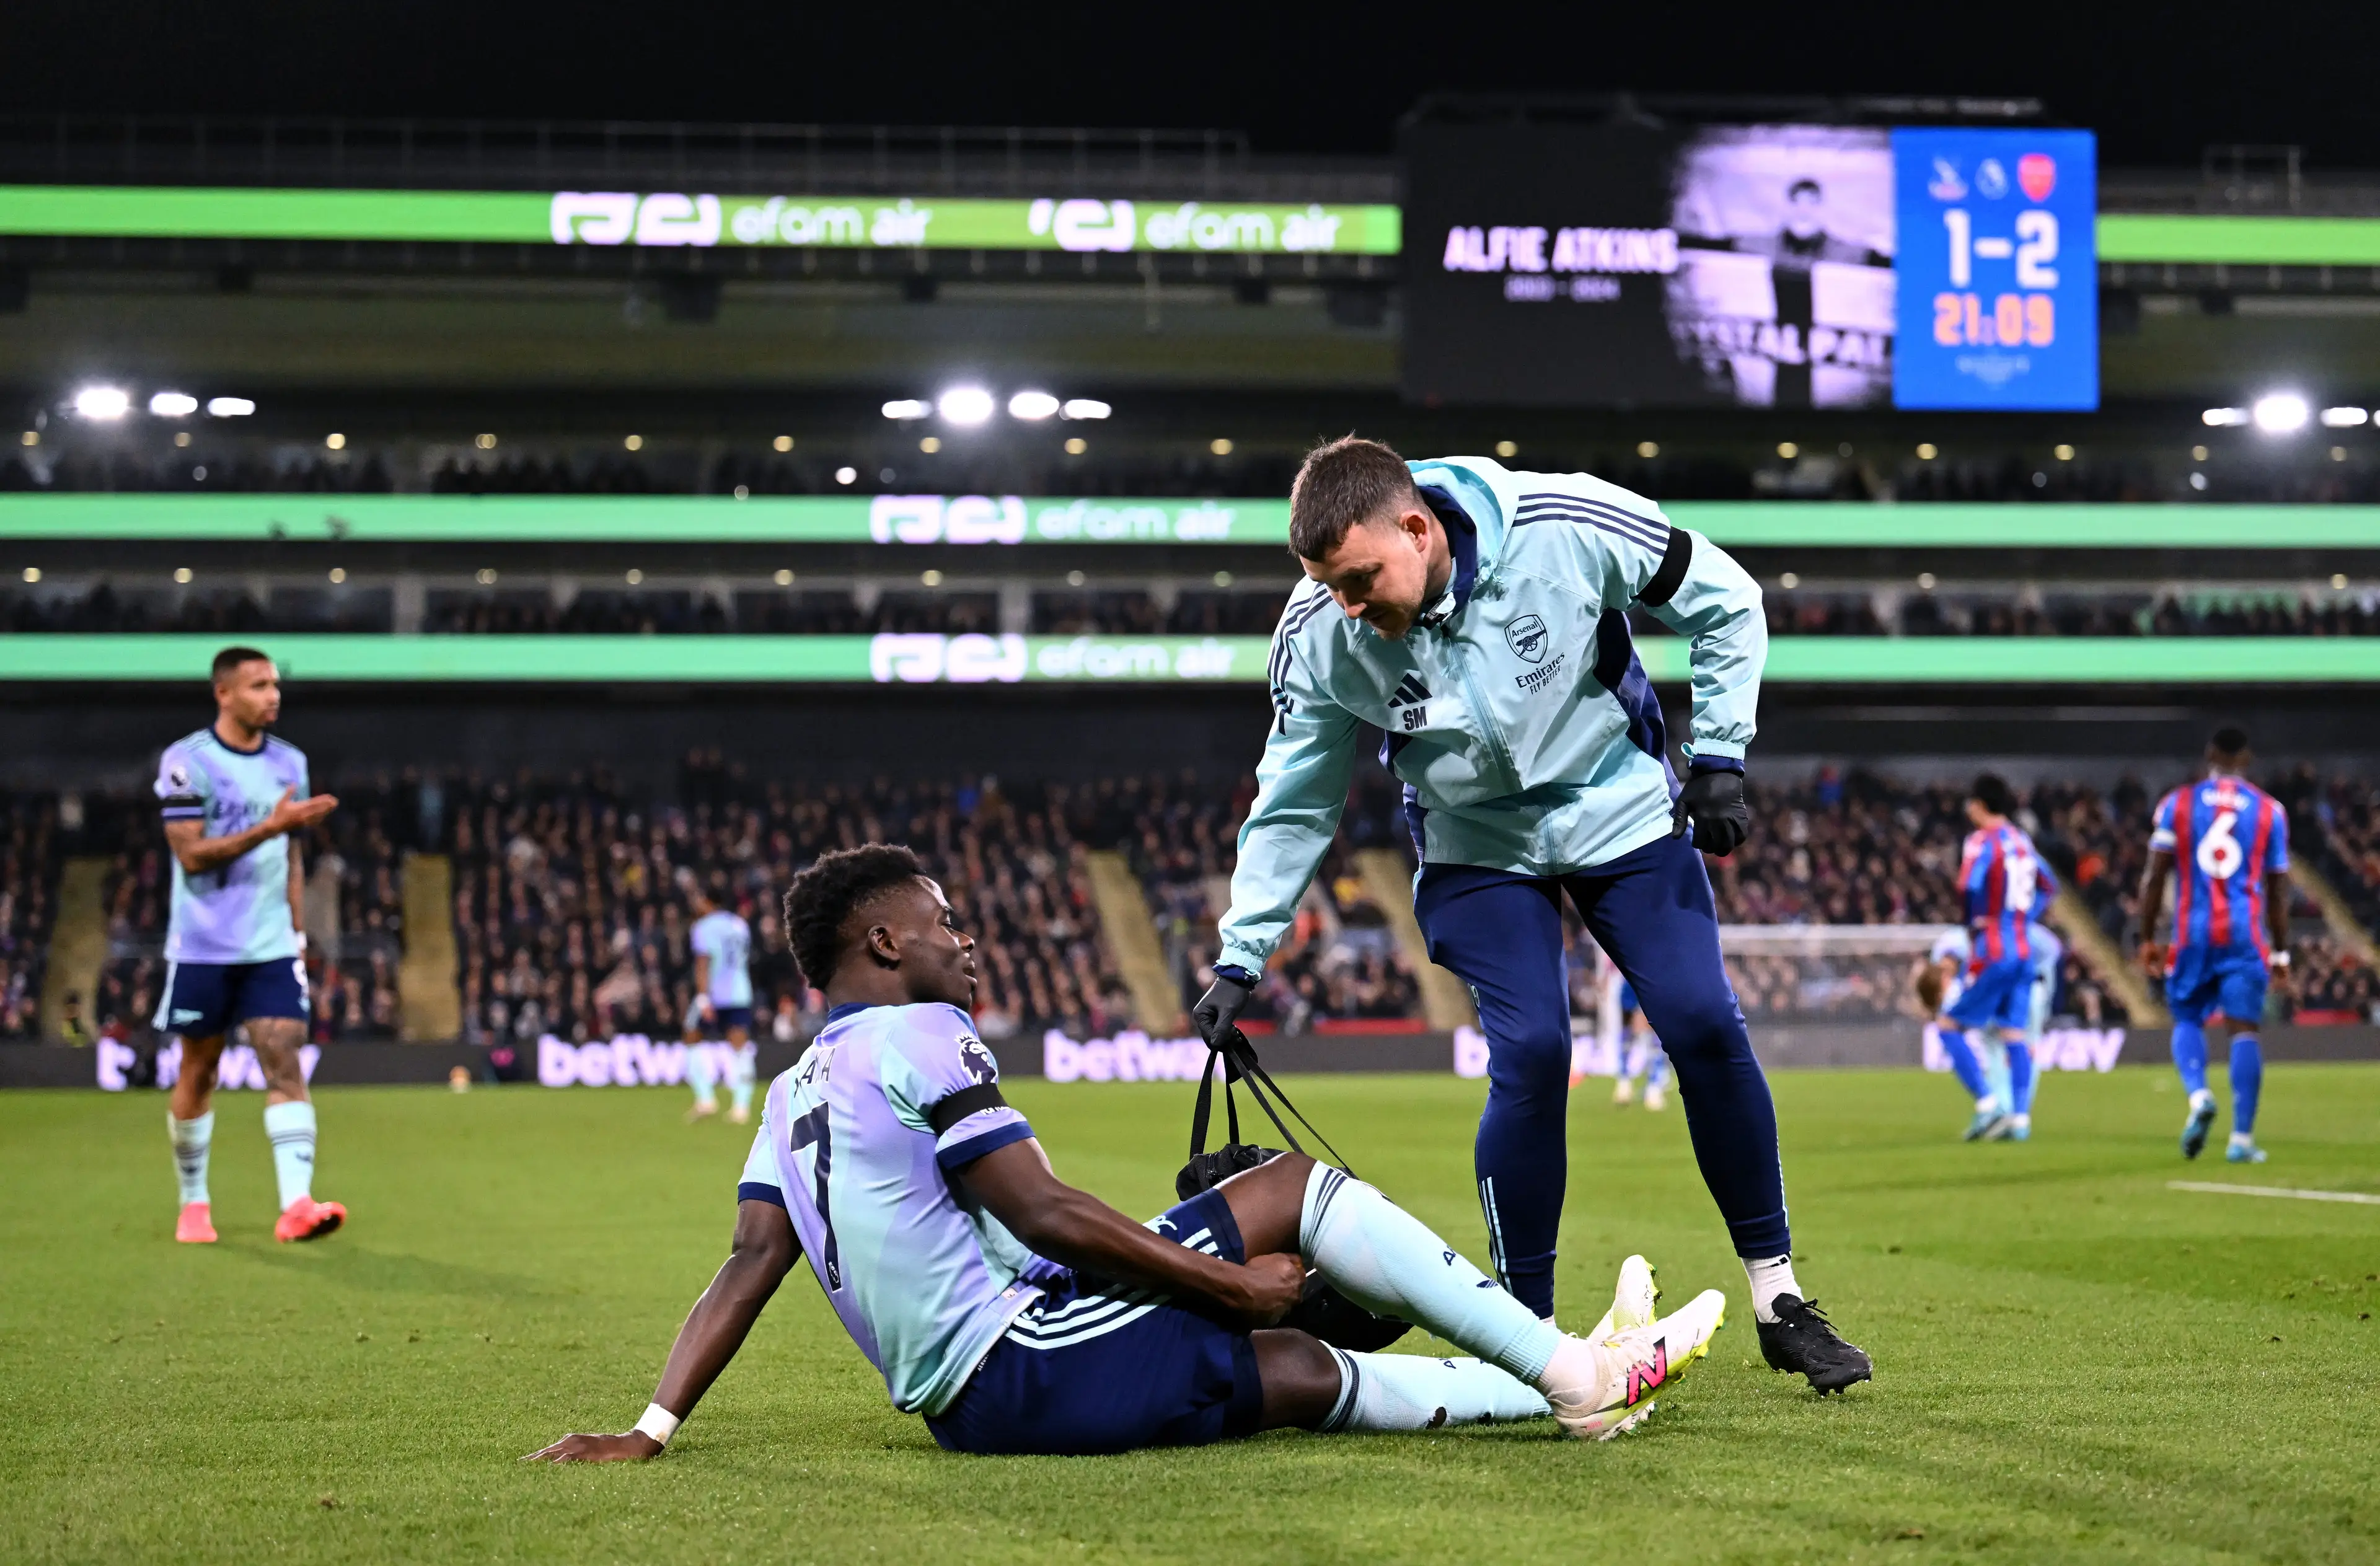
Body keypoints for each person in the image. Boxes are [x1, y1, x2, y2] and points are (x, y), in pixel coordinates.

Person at [526, 845, 1730, 1463]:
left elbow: (745, 1266)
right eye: (946, 921)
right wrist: (1225, 1276)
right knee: (1286, 1193)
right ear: (884, 941)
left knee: (1290, 1375)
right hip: (1018, 1357)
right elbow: (1043, 1216)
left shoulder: (790, 1093)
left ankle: (1571, 1380)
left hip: (978, 1398)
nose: (968, 939)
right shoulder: (921, 1032)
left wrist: (653, 1424)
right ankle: (1577, 1374)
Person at [1190, 438, 1869, 1395]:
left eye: (1360, 578)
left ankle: (1778, 1297)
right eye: (1329, 585)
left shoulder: (1567, 523)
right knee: (1536, 1053)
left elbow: (1729, 599)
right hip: (1474, 848)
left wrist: (1721, 752)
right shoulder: (1317, 633)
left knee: (1705, 1021)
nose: (1349, 606)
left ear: (1417, 529)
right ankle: (1526, 1333)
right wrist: (1241, 954)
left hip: (1622, 812)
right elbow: (1296, 798)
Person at [152, 646, 344, 1244]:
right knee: (200, 1068)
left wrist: (295, 930)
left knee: (283, 1052)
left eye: (276, 684)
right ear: (225, 693)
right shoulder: (188, 761)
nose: (273, 695)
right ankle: (193, 1202)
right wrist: (269, 826)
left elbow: (291, 854)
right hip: (205, 943)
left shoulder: (290, 762)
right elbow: (190, 853)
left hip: (270, 943)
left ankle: (296, 1206)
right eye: (259, 685)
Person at [2136, 729, 2290, 1163]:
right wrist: (2281, 953)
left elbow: (2154, 876)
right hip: (2245, 936)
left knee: (2186, 1016)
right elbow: (2278, 892)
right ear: (2247, 757)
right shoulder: (2270, 811)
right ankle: (2242, 1139)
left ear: (2209, 755)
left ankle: (2199, 1095)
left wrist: (2147, 937)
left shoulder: (2178, 803)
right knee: (2244, 1030)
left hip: (2193, 933)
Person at [1939, 775, 2057, 1144]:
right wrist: (2023, 917)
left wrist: (1974, 925)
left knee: (1948, 1026)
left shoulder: (1980, 842)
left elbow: (1969, 886)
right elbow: (2049, 886)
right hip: (2024, 950)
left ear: (1978, 805)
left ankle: (1988, 1105)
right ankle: (2020, 1120)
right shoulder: (2023, 842)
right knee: (2014, 1034)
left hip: (1993, 949)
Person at [681, 876, 757, 1125]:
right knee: (740, 1047)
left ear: (708, 901)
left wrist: (703, 998)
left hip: (715, 993)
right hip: (740, 991)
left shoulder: (703, 927)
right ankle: (741, 1107)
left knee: (691, 1035)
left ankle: (706, 1099)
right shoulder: (739, 924)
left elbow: (703, 963)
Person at [1608, 981, 1670, 1112]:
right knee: (1630, 1034)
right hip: (1633, 984)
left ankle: (1652, 1087)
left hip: (1653, 984)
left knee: (1654, 1036)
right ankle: (1625, 1082)